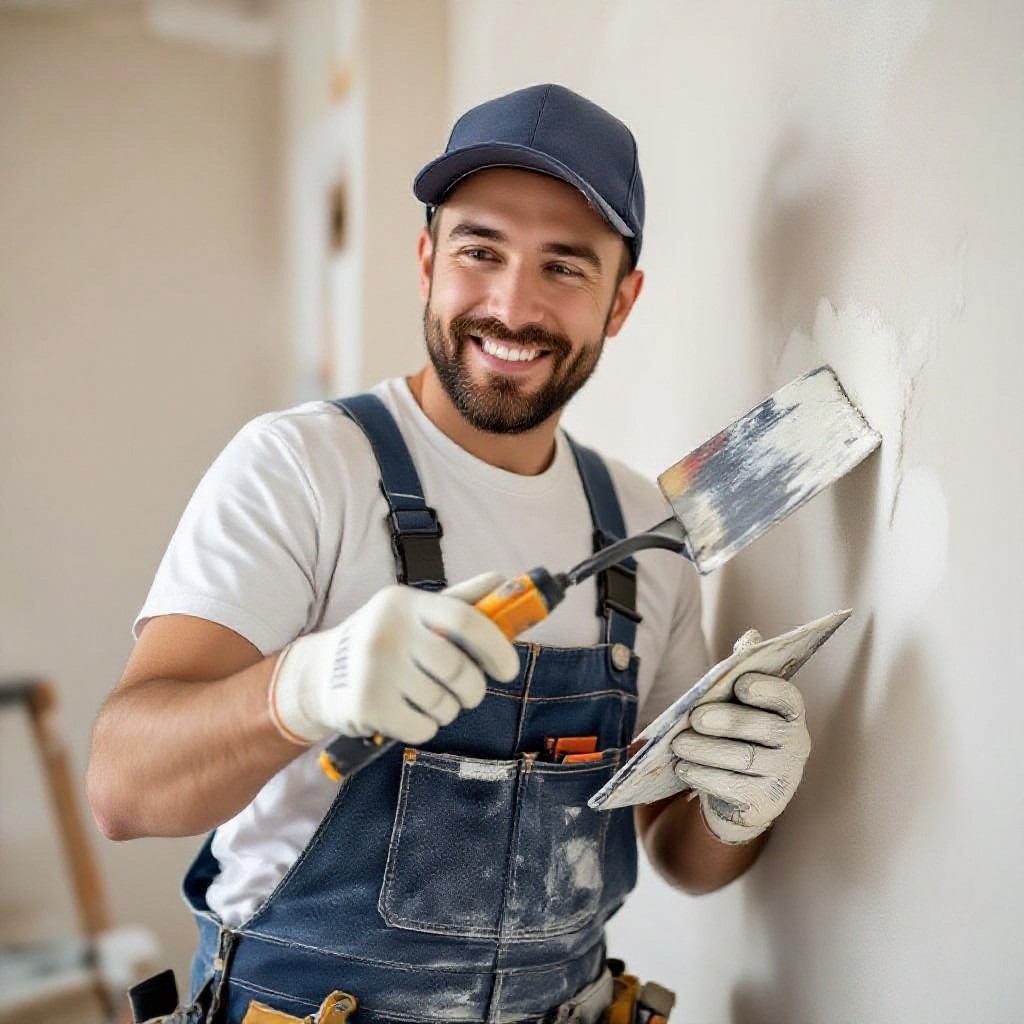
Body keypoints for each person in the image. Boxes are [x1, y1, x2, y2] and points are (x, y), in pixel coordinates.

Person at [87, 84, 813, 1024]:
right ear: (427, 258)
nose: (512, 307)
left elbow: (674, 851)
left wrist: (738, 807)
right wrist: (307, 686)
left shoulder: (646, 526)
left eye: (565, 267)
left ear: (621, 302)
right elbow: (122, 791)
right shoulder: (302, 468)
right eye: (480, 251)